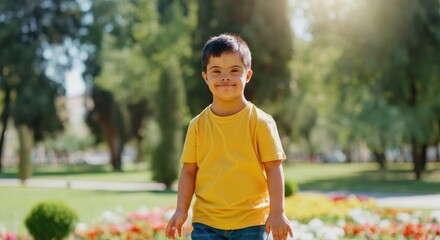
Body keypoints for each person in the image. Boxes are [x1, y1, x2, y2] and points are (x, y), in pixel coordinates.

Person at [165, 33, 293, 240]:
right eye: (216, 71)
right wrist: (182, 210)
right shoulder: (197, 125)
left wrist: (277, 212)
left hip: (251, 222)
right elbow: (188, 171)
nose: (225, 77)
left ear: (248, 75)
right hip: (206, 223)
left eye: (235, 70)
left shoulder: (261, 122)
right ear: (206, 77)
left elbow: (273, 169)